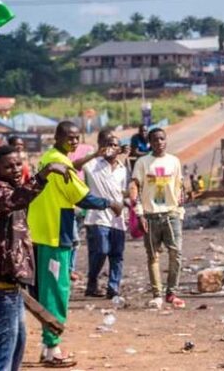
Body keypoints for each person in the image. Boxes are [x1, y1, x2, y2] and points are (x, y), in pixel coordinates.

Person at [27, 121, 121, 367]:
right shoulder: (59, 163)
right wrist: (111, 203)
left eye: (77, 137)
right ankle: (52, 348)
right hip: (54, 233)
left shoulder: (50, 158)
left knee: (46, 291)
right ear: (57, 137)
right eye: (69, 137)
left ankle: (48, 345)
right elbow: (82, 197)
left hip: (42, 231)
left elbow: (73, 175)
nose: (74, 141)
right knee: (56, 291)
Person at [0, 144, 69, 371]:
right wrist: (45, 173)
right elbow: (18, 199)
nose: (16, 169)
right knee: (4, 347)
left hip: (12, 282)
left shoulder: (13, 189)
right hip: (0, 282)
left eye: (19, 164)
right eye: (8, 167)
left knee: (17, 343)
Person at [129, 128, 186, 309]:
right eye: (155, 140)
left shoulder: (174, 161)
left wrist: (180, 210)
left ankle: (171, 292)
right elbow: (135, 187)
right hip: (151, 215)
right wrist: (139, 213)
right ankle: (157, 294)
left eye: (162, 139)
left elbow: (180, 186)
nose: (159, 142)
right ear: (150, 143)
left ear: (166, 140)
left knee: (176, 253)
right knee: (153, 255)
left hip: (171, 214)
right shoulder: (142, 163)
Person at [83, 131, 129, 298]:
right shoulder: (93, 164)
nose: (112, 148)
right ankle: (92, 280)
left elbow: (122, 191)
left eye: (115, 145)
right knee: (101, 250)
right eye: (109, 144)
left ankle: (113, 287)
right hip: (98, 216)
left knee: (117, 254)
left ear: (119, 149)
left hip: (117, 218)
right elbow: (76, 165)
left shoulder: (123, 169)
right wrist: (96, 153)